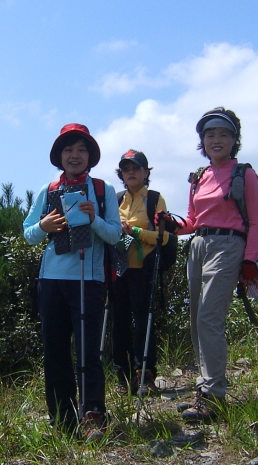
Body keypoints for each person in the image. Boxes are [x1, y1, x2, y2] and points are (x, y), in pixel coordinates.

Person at [23, 124, 121, 438]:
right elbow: (28, 234)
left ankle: (93, 416)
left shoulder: (103, 190)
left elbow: (116, 235)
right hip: (51, 280)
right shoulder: (47, 190)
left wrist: (94, 220)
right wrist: (44, 225)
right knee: (55, 351)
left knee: (89, 350)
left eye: (81, 149)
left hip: (89, 280)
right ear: (59, 156)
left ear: (90, 156)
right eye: (68, 150)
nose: (74, 155)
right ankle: (62, 420)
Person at [174, 108, 258, 422]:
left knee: (209, 318)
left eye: (223, 134)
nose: (216, 140)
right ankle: (205, 388)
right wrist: (170, 224)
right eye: (210, 134)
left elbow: (256, 222)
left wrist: (250, 260)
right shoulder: (199, 177)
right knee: (198, 320)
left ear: (234, 139)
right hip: (198, 245)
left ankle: (212, 396)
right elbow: (192, 221)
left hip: (228, 245)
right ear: (202, 141)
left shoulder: (245, 174)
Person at [111, 149, 170, 396]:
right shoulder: (114, 200)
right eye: (126, 169)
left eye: (136, 168)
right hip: (117, 269)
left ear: (146, 173)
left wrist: (134, 232)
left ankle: (145, 373)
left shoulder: (155, 199)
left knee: (144, 322)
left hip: (143, 269)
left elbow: (163, 237)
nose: (131, 172)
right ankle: (122, 376)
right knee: (119, 323)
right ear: (121, 174)